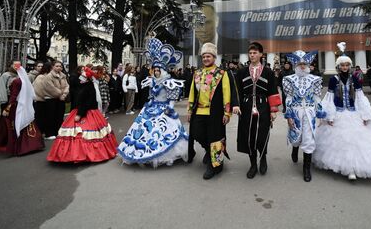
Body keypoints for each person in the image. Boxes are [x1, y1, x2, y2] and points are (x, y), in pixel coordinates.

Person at [314, 43, 371, 181]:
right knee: (342, 143)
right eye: (342, 65)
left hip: (353, 113)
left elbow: (360, 97)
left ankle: (356, 168)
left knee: (356, 142)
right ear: (338, 66)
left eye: (347, 65)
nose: (344, 67)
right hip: (339, 114)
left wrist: (365, 115)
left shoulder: (355, 79)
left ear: (349, 66)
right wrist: (329, 115)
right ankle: (348, 169)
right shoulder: (333, 80)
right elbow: (330, 98)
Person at [118, 38, 188, 167]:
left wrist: (170, 108)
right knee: (142, 130)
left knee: (164, 132)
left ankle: (165, 155)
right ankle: (140, 152)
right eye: (155, 70)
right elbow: (151, 96)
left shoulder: (169, 82)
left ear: (163, 71)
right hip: (151, 108)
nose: (156, 72)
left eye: (158, 70)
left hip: (165, 109)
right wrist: (150, 102)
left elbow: (172, 98)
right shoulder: (151, 81)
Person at [187, 42, 237, 180]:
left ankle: (213, 165)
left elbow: (227, 93)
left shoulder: (221, 74)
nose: (206, 59)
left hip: (215, 112)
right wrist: (190, 110)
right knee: (197, 133)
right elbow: (192, 92)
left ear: (214, 57)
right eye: (204, 57)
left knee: (214, 138)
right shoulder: (197, 73)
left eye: (208, 56)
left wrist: (227, 113)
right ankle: (209, 152)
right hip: (199, 111)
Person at [47, 67, 118, 163]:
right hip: (83, 110)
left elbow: (87, 103)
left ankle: (83, 154)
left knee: (83, 134)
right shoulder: (84, 86)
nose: (80, 78)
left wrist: (80, 114)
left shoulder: (88, 87)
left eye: (83, 76)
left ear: (87, 78)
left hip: (86, 112)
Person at [0, 62, 44, 156]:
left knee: (6, 127)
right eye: (14, 65)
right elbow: (4, 90)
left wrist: (8, 107)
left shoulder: (18, 80)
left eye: (17, 66)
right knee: (8, 126)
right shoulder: (14, 77)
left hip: (13, 105)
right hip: (14, 104)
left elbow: (14, 95)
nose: (16, 67)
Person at [234, 42, 282, 179]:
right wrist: (236, 105)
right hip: (246, 108)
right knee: (249, 137)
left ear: (261, 54)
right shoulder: (242, 71)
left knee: (262, 135)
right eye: (250, 53)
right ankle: (253, 164)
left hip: (263, 108)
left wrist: (273, 110)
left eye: (255, 53)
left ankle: (263, 157)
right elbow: (237, 90)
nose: (252, 55)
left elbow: (273, 91)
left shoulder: (268, 72)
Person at [282, 49, 324, 182]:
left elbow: (317, 97)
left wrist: (320, 113)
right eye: (299, 63)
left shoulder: (315, 79)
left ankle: (306, 169)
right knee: (296, 137)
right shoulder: (288, 79)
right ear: (295, 64)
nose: (302, 65)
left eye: (305, 63)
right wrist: (288, 115)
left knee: (309, 138)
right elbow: (288, 98)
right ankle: (295, 148)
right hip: (295, 112)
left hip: (310, 113)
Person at [40, 61, 69, 140]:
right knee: (50, 116)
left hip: (61, 99)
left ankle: (58, 132)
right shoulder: (48, 76)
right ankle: (49, 133)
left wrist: (64, 95)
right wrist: (60, 94)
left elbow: (67, 86)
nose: (59, 67)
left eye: (60, 66)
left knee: (59, 116)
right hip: (51, 99)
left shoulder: (63, 76)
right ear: (52, 67)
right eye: (57, 66)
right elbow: (50, 88)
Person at [33, 62, 52, 137]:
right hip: (41, 101)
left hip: (46, 100)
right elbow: (39, 90)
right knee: (40, 119)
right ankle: (38, 134)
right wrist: (47, 97)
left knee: (45, 118)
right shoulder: (41, 77)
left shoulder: (47, 77)